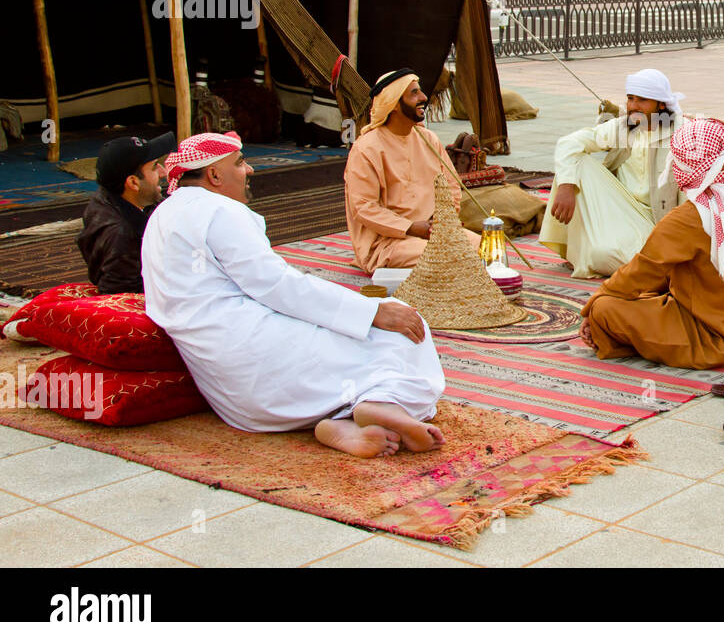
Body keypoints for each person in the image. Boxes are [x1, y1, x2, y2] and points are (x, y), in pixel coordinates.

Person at [142, 132, 447, 458]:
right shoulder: (219, 210)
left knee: (369, 326)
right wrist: (370, 312)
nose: (250, 170)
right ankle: (383, 403)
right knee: (402, 322)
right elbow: (278, 286)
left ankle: (346, 421)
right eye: (240, 162)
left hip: (235, 399)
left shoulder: (161, 215)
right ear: (214, 175)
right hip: (262, 361)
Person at [579, 118, 724, 370]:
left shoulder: (689, 217)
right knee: (651, 290)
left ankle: (630, 341)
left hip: (714, 338)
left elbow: (638, 273)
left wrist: (591, 306)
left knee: (605, 310)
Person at [539, 69, 685, 278]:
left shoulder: (682, 133)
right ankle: (583, 250)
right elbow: (569, 142)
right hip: (620, 209)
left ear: (661, 104)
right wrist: (566, 186)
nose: (633, 106)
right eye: (630, 99)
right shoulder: (623, 127)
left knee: (603, 256)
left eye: (642, 100)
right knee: (575, 162)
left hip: (656, 221)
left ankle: (590, 253)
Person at [344, 69, 478, 276]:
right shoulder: (367, 148)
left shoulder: (428, 138)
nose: (424, 98)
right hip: (388, 241)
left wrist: (443, 218)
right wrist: (411, 227)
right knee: (445, 256)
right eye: (414, 93)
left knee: (485, 248)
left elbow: (451, 186)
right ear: (394, 104)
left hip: (432, 233)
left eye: (420, 91)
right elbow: (364, 207)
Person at [76, 132, 175, 294]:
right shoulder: (123, 234)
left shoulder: (110, 196)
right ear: (133, 182)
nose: (163, 172)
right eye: (154, 167)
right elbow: (118, 296)